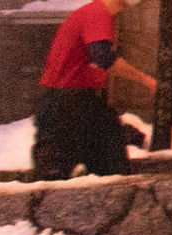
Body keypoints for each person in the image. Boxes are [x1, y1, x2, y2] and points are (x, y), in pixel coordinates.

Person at [33, 0, 157, 181]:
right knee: (57, 171)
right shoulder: (98, 14)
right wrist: (143, 78)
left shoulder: (95, 13)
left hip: (76, 99)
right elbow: (102, 55)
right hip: (67, 101)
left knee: (110, 160)